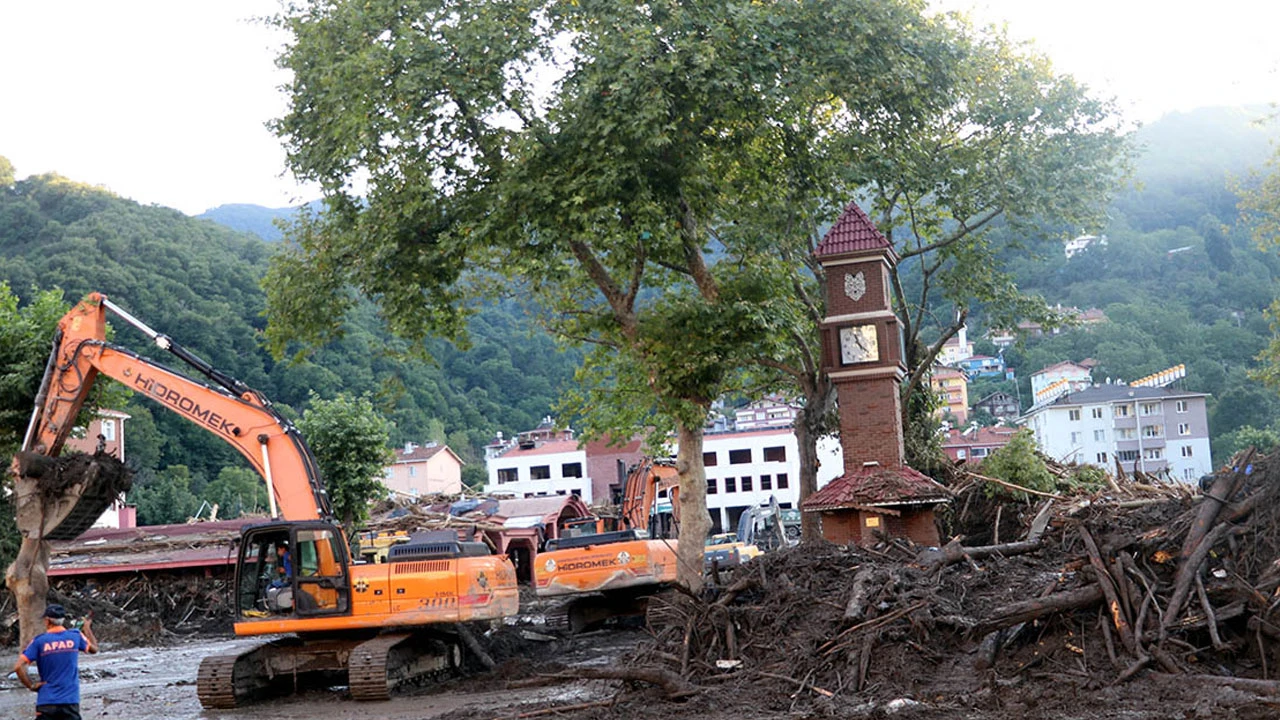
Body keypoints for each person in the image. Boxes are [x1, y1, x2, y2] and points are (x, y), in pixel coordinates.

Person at [13, 603, 99, 720]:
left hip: (46, 701)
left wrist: (31, 685)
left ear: (47, 621)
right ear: (62, 620)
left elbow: (18, 667)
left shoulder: (39, 641)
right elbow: (94, 649)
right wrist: (87, 628)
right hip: (70, 701)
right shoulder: (75, 636)